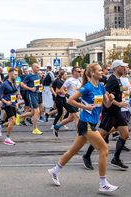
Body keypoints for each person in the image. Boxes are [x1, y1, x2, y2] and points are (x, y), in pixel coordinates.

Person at [47, 63, 118, 192]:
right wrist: (85, 107)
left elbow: (107, 105)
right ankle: (103, 183)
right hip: (86, 123)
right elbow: (70, 100)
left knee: (73, 151)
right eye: (99, 70)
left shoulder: (101, 87)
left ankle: (55, 170)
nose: (102, 72)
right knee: (104, 150)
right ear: (91, 73)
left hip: (91, 123)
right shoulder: (87, 87)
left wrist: (111, 98)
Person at [83, 60, 130, 170]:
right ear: (116, 68)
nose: (124, 69)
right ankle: (87, 156)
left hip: (117, 112)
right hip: (109, 112)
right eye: (122, 67)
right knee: (100, 136)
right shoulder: (112, 80)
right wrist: (119, 103)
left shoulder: (118, 80)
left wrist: (124, 91)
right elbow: (106, 95)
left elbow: (115, 92)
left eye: (125, 67)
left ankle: (116, 159)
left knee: (125, 134)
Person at [53, 66, 82, 134]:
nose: (80, 73)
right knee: (77, 117)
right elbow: (61, 89)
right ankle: (79, 135)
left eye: (80, 71)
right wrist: (67, 95)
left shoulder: (79, 80)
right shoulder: (69, 80)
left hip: (77, 100)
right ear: (74, 72)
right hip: (71, 101)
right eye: (78, 71)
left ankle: (57, 126)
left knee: (70, 119)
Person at [0, 68, 19, 145]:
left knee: (14, 122)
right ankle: (7, 138)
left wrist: (16, 100)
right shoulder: (5, 84)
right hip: (7, 104)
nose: (16, 76)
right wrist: (5, 101)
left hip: (13, 103)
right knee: (12, 120)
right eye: (14, 74)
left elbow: (15, 92)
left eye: (17, 74)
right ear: (9, 74)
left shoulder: (14, 82)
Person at [20, 63, 43, 135]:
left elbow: (35, 84)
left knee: (33, 112)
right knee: (37, 111)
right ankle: (35, 129)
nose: (38, 69)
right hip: (31, 95)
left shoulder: (37, 75)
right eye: (37, 67)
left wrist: (39, 85)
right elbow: (22, 84)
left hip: (36, 94)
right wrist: (30, 88)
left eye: (39, 67)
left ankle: (19, 116)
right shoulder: (29, 76)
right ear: (33, 68)